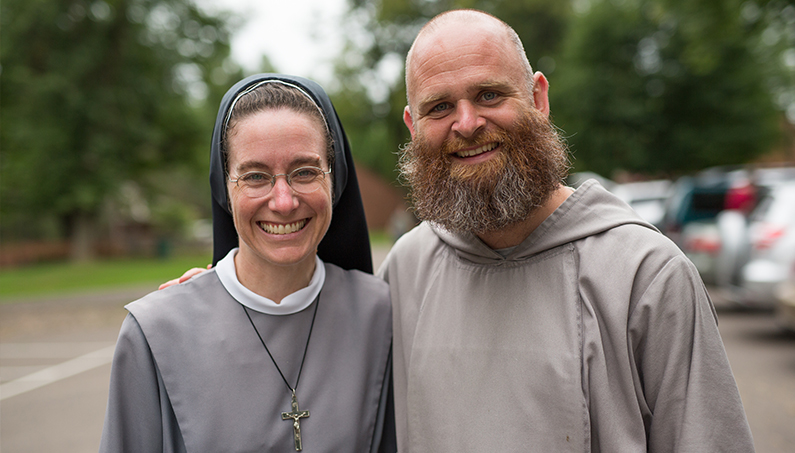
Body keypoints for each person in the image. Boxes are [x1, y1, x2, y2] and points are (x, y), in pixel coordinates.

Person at [377, 8, 754, 452]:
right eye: (439, 107)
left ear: (538, 99)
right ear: (413, 127)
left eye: (489, 95)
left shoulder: (647, 275)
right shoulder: (406, 270)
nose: (467, 123)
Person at [100, 74, 395, 452]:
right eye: (255, 176)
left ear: (334, 181)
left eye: (305, 172)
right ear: (224, 188)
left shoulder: (381, 314)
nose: (283, 201)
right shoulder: (156, 332)